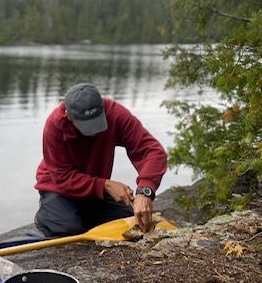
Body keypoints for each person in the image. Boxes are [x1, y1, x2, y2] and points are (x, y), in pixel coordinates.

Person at [34, 82, 167, 237]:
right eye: (87, 126)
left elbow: (152, 151)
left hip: (95, 191)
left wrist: (144, 191)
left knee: (132, 221)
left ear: (103, 108)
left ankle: (82, 215)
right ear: (69, 116)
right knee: (68, 229)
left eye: (97, 122)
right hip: (59, 188)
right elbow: (62, 177)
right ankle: (47, 215)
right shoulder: (55, 124)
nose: (94, 132)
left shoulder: (116, 114)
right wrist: (105, 185)